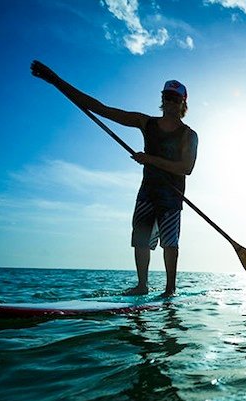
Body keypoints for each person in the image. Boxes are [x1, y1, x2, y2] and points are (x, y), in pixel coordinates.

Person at [31, 60, 198, 297]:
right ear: (162, 99)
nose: (170, 102)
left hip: (172, 197)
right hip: (147, 193)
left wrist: (149, 159)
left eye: (175, 98)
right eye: (166, 97)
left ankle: (169, 290)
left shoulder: (189, 135)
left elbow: (186, 168)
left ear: (183, 102)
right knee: (140, 239)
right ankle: (142, 286)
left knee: (169, 243)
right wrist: (55, 80)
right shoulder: (146, 122)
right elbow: (100, 108)